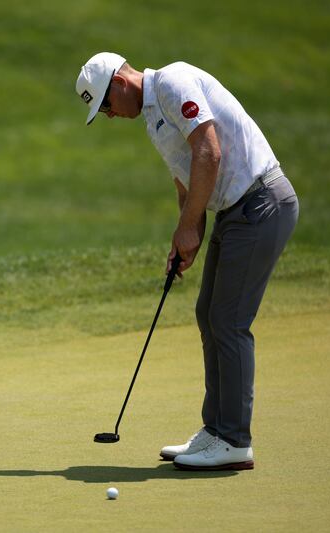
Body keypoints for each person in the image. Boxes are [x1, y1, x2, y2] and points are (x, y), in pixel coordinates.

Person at [75, 52, 299, 470]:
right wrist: (185, 234)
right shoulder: (152, 115)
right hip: (237, 211)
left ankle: (234, 439)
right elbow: (186, 173)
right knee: (208, 313)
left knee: (228, 321)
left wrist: (191, 225)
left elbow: (208, 152)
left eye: (104, 105)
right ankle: (215, 431)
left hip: (260, 203)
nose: (106, 115)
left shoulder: (173, 83)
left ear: (119, 84)